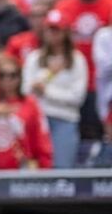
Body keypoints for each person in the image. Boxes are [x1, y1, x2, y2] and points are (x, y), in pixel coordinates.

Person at [0, 56, 53, 170]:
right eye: (2, 75)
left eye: (12, 75)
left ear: (20, 78)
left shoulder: (30, 104)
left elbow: (40, 137)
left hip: (21, 168)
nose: (7, 80)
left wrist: (44, 167)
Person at [24, 12, 86, 167]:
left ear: (65, 32)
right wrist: (50, 74)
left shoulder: (77, 60)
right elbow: (26, 90)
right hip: (37, 120)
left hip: (65, 120)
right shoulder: (34, 58)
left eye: (57, 30)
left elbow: (77, 98)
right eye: (49, 29)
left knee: (62, 170)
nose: (52, 34)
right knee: (34, 168)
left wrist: (46, 91)